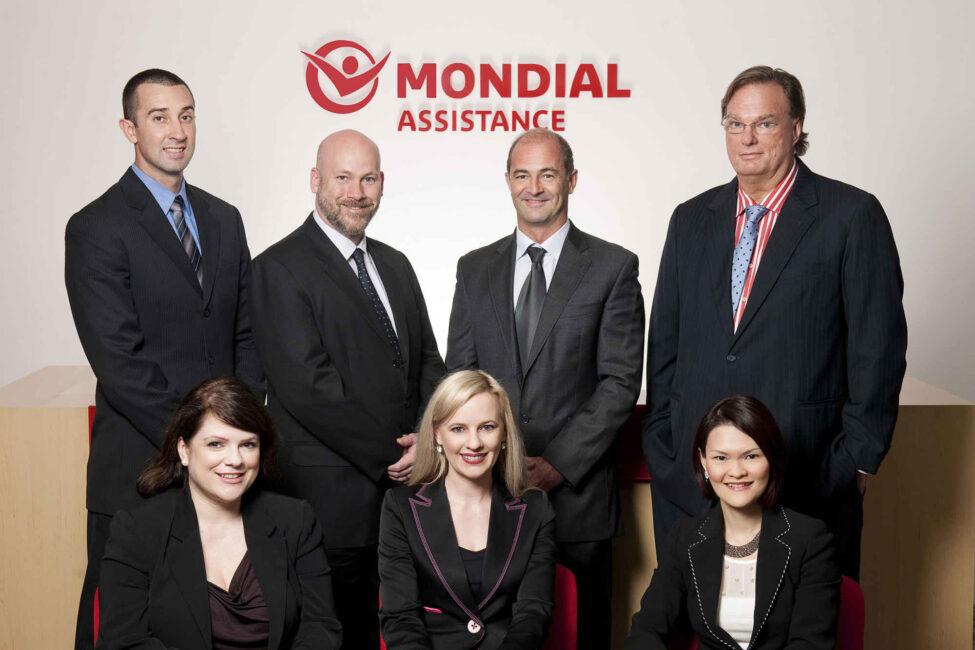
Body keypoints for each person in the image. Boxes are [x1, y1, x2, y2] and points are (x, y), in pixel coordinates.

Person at [642, 65, 907, 578]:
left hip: (807, 476)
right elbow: (666, 347)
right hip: (695, 483)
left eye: (764, 123)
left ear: (796, 128)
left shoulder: (851, 215)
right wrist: (666, 449)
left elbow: (879, 348)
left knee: (801, 630)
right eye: (734, 123)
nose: (747, 137)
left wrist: (854, 461)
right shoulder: (690, 218)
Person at [65, 68, 264, 649]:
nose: (176, 131)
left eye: (186, 115)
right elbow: (118, 360)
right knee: (118, 623)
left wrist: (235, 433)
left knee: (210, 623)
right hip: (139, 465)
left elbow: (246, 334)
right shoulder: (96, 226)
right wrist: (195, 438)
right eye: (158, 117)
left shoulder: (224, 218)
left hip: (223, 464)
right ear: (129, 128)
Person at [446, 128, 644, 647]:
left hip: (577, 502)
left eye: (548, 174)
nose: (534, 187)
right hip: (490, 498)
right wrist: (490, 462)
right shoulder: (474, 269)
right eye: (522, 174)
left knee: (582, 636)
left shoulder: (612, 267)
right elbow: (459, 380)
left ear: (571, 180)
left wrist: (557, 464)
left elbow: (620, 380)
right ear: (508, 182)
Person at [250, 129, 446, 648]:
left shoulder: (396, 263)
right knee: (336, 635)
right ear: (315, 181)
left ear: (382, 183)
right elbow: (308, 386)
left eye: (368, 178)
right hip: (327, 502)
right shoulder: (278, 267)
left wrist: (428, 442)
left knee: (402, 632)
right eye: (343, 178)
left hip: (406, 494)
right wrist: (393, 454)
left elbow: (428, 360)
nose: (357, 192)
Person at [96, 377, 341, 649]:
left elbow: (320, 628)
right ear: (184, 450)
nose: (235, 460)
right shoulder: (136, 530)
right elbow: (124, 641)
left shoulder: (296, 520)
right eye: (216, 444)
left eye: (248, 444)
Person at [627, 395, 840, 649]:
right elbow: (646, 631)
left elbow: (810, 644)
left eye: (751, 456)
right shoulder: (684, 538)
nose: (736, 471)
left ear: (771, 458)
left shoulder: (811, 539)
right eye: (720, 458)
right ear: (703, 461)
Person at [379, 370, 557, 648]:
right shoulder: (400, 507)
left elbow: (532, 613)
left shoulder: (536, 508)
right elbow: (400, 618)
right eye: (458, 428)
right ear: (437, 434)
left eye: (487, 427)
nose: (474, 443)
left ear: (504, 433)